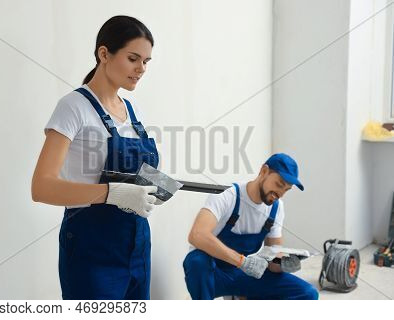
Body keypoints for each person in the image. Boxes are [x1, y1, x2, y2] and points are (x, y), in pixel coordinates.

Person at [31, 16, 161, 300]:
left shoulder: (132, 108)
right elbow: (41, 187)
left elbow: (134, 172)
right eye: (133, 58)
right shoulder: (73, 107)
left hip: (137, 246)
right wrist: (112, 193)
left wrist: (156, 185)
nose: (141, 69)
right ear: (104, 54)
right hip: (92, 248)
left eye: (146, 62)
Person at [183, 153, 319, 300]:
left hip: (242, 275)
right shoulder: (228, 196)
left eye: (286, 189)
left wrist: (283, 264)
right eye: (279, 184)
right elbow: (197, 235)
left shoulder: (276, 208)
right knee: (196, 261)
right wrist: (242, 262)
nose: (280, 193)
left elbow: (274, 255)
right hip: (214, 273)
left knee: (308, 294)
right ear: (264, 171)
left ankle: (242, 298)